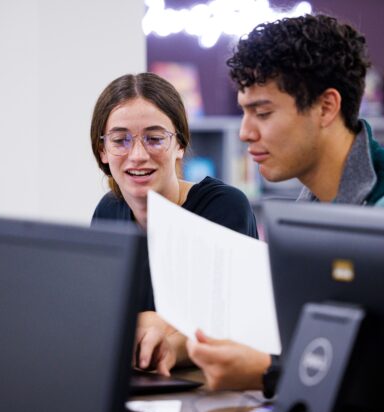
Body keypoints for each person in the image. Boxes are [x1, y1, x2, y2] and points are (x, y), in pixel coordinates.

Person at [185, 13, 384, 394]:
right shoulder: (316, 200)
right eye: (245, 112)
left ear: (326, 107)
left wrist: (270, 373)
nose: (246, 132)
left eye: (263, 113)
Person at [90, 72, 259, 376]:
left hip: (205, 391)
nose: (138, 155)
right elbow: (100, 317)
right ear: (102, 151)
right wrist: (161, 322)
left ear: (179, 144)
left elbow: (223, 325)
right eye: (120, 141)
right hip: (135, 380)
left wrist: (149, 326)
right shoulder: (108, 212)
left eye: (155, 139)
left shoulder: (223, 207)